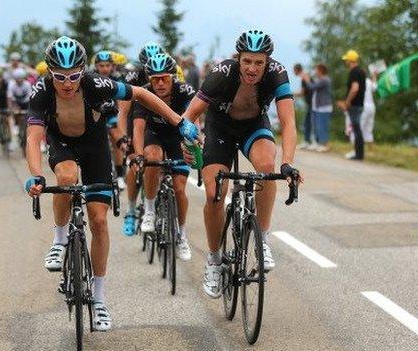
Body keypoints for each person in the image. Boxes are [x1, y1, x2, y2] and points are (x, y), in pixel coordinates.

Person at [24, 36, 196, 331]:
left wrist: (179, 122)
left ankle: (100, 300)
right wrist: (36, 174)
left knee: (99, 221)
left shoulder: (95, 84)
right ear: (50, 73)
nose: (67, 83)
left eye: (74, 76)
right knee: (65, 177)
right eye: (60, 77)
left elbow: (141, 94)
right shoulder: (41, 91)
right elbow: (33, 136)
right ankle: (59, 239)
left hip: (94, 148)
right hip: (62, 144)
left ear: (83, 71)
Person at [180, 29, 302, 298]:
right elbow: (188, 117)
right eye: (247, 61)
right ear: (238, 58)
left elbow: (289, 123)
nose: (252, 68)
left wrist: (288, 163)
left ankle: (263, 237)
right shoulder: (222, 73)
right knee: (214, 194)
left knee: (267, 167)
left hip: (253, 127)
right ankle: (213, 261)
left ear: (267, 62)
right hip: (219, 129)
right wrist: (187, 145)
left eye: (259, 62)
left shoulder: (277, 74)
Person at [132, 53, 195, 261]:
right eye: (155, 79)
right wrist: (139, 155)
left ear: (172, 78)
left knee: (179, 188)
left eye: (164, 78)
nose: (160, 83)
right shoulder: (144, 94)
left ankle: (181, 234)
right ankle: (149, 209)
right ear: (149, 80)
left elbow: (194, 119)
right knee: (153, 156)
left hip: (177, 137)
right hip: (154, 135)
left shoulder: (184, 92)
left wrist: (193, 146)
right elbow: (139, 127)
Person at [118, 41, 166, 236]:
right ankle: (130, 210)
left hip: (163, 120)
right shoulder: (133, 77)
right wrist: (123, 136)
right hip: (136, 118)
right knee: (134, 163)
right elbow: (123, 110)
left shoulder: (168, 69)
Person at [92, 50, 128, 190]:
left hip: (113, 114)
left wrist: (119, 121)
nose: (105, 68)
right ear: (96, 66)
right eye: (102, 65)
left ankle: (119, 175)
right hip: (96, 114)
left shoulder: (118, 78)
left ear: (112, 66)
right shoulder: (91, 77)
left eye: (107, 65)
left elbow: (122, 104)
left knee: (116, 140)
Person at [337, 50, 366, 160]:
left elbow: (355, 88)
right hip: (360, 104)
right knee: (357, 128)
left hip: (354, 105)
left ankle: (358, 155)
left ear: (350, 60)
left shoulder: (354, 72)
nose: (346, 62)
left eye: (347, 60)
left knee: (356, 128)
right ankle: (360, 153)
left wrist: (347, 102)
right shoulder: (362, 71)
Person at [303, 64, 333, 152]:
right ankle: (317, 143)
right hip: (318, 107)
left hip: (324, 107)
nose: (315, 72)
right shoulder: (320, 79)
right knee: (316, 126)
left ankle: (324, 144)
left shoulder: (325, 80)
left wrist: (307, 80)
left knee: (322, 126)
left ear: (321, 70)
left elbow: (312, 87)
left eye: (316, 70)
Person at [293, 64, 313, 149]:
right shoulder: (306, 76)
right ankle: (307, 141)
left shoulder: (304, 78)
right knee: (308, 122)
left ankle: (307, 141)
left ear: (297, 70)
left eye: (294, 70)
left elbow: (303, 92)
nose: (293, 72)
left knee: (307, 122)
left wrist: (290, 94)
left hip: (311, 103)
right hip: (311, 103)